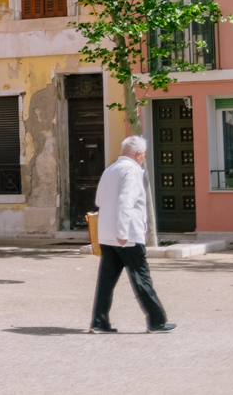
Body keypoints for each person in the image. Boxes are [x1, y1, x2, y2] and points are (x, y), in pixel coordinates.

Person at [90, 135, 176, 334]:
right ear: (139, 154)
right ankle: (157, 321)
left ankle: (99, 322)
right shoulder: (133, 171)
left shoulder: (110, 169)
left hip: (107, 234)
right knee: (141, 277)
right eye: (143, 154)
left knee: (106, 281)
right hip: (127, 236)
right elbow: (125, 201)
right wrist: (122, 231)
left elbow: (99, 200)